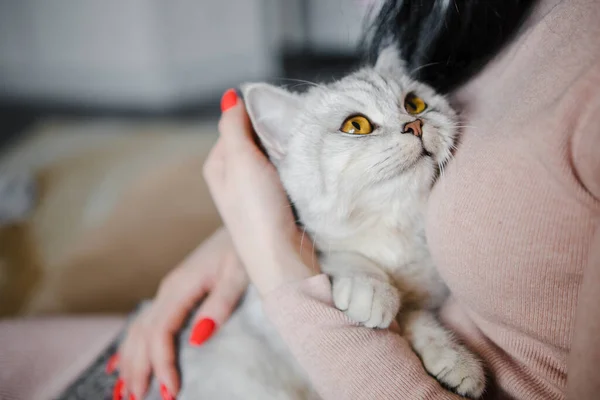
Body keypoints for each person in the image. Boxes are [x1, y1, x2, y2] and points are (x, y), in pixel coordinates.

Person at [0, 0, 597, 399]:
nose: (414, 125)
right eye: (365, 124)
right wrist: (259, 229)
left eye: (415, 106)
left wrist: (276, 258)